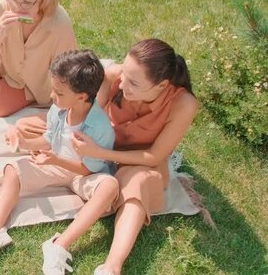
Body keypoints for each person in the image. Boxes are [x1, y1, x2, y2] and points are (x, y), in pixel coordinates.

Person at [17, 39, 199, 275]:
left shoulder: (183, 104)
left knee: (137, 185)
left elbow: (154, 156)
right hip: (98, 140)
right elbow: (89, 114)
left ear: (162, 85)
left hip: (136, 159)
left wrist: (98, 153)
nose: (123, 84)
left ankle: (111, 266)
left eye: (133, 83)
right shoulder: (113, 76)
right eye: (124, 73)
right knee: (24, 126)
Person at [0, 50, 119, 275]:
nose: (52, 96)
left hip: (85, 174)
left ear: (82, 96)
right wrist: (23, 143)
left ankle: (59, 245)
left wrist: (55, 160)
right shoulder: (58, 109)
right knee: (12, 168)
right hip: (56, 164)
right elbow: (48, 140)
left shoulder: (100, 128)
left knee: (110, 187)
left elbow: (86, 169)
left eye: (59, 92)